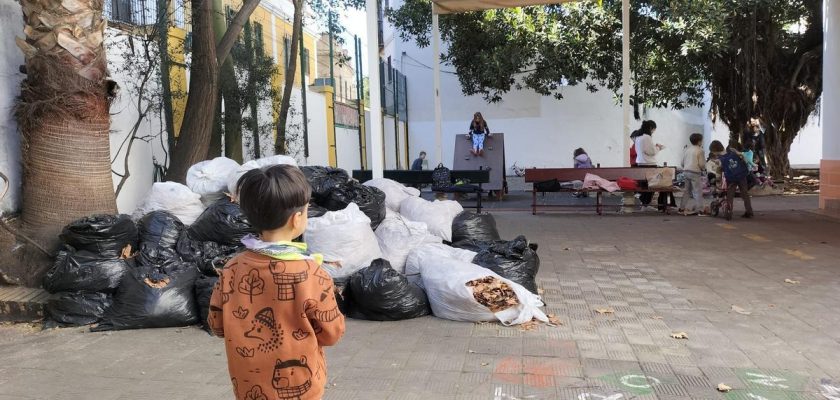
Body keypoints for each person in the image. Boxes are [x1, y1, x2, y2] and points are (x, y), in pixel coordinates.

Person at [208, 164, 345, 400]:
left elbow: (217, 325)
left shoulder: (231, 268)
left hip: (249, 388)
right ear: (297, 218)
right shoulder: (312, 273)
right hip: (303, 387)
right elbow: (331, 334)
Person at [633, 120, 673, 211]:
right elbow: (651, 152)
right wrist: (659, 147)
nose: (653, 132)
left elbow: (642, 150)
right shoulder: (647, 137)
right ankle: (645, 205)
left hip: (640, 163)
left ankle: (644, 205)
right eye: (653, 130)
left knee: (645, 186)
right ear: (651, 128)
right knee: (652, 185)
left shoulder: (638, 137)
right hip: (649, 164)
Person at [719, 140, 754, 219]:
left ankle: (729, 213)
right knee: (745, 193)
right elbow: (745, 161)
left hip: (731, 178)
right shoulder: (740, 153)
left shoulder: (726, 153)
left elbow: (723, 167)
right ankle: (749, 211)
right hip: (742, 176)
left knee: (730, 195)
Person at [679, 133, 706, 215]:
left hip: (686, 171)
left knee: (687, 191)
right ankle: (700, 210)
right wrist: (703, 169)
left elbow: (682, 162)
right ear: (699, 141)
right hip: (695, 172)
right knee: (697, 192)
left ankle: (681, 208)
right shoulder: (700, 150)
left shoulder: (687, 149)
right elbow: (702, 164)